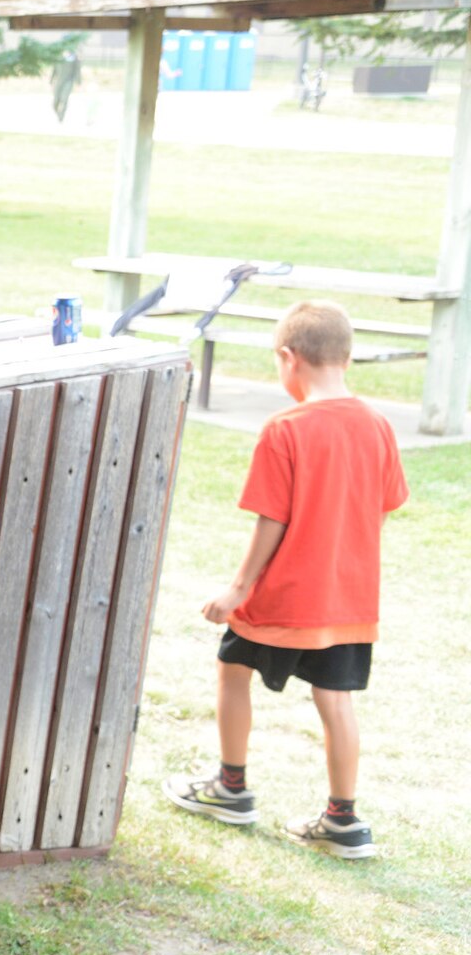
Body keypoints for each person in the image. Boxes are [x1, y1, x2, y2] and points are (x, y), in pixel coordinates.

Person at [166, 301, 407, 859]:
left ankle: (230, 789)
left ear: (287, 358)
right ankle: (343, 819)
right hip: (348, 598)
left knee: (232, 669)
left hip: (286, 596)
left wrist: (239, 589)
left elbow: (271, 518)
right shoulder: (377, 424)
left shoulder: (285, 429)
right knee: (336, 699)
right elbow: (385, 507)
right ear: (346, 358)